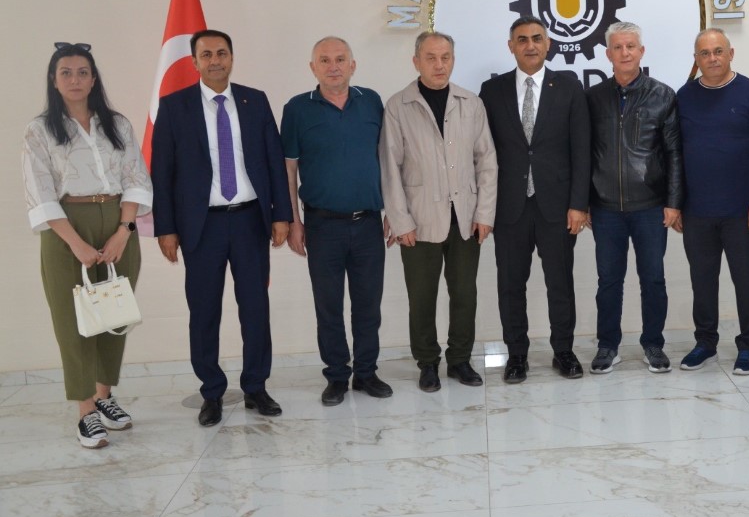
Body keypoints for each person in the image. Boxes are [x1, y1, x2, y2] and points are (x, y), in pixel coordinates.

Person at [152, 29, 292, 427]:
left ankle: (256, 387)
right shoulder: (174, 107)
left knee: (255, 308)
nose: (215, 60)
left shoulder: (254, 100)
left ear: (231, 57)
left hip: (249, 220)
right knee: (204, 312)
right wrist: (166, 228)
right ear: (194, 62)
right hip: (201, 226)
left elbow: (274, 160)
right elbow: (162, 172)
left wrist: (281, 214)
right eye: (207, 54)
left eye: (222, 53)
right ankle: (211, 392)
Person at [22, 42, 152, 448]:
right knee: (73, 321)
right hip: (66, 227)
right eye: (66, 72)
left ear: (93, 79)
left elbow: (135, 178)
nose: (75, 79)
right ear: (54, 79)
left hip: (117, 221)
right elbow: (41, 192)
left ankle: (104, 395)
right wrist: (76, 243)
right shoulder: (40, 130)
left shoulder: (117, 125)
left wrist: (123, 231)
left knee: (115, 313)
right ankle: (85, 411)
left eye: (82, 72)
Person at [382, 31, 498, 391]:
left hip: (465, 218)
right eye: (431, 58)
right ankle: (428, 362)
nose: (439, 65)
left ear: (453, 60)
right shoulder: (398, 106)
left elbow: (487, 161)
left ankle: (460, 359)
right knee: (422, 297)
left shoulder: (470, 103)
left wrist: (484, 214)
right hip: (418, 220)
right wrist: (400, 221)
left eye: (445, 57)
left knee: (465, 294)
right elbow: (390, 167)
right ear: (416, 61)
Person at [281, 36, 393, 407]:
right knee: (328, 307)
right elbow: (289, 169)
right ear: (313, 68)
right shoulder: (297, 109)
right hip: (321, 226)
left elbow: (388, 160)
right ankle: (336, 376)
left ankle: (366, 373)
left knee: (368, 305)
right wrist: (294, 222)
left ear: (352, 65)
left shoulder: (371, 101)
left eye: (340, 59)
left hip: (367, 223)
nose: (333, 66)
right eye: (325, 60)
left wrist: (394, 211)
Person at [479, 15, 590, 383]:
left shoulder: (569, 86)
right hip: (509, 207)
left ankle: (564, 351)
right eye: (522, 39)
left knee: (560, 283)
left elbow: (581, 149)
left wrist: (578, 204)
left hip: (557, 206)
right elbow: (483, 152)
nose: (530, 45)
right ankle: (516, 355)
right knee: (510, 285)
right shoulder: (492, 91)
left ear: (548, 44)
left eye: (537, 38)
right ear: (511, 46)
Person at [586, 22, 683, 374]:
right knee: (608, 282)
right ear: (608, 53)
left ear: (642, 51)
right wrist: (583, 203)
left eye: (631, 46)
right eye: (618, 47)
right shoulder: (593, 98)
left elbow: (673, 153)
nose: (624, 53)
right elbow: (583, 154)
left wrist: (673, 202)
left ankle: (653, 344)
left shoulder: (663, 95)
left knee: (653, 279)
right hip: (605, 208)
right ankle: (607, 345)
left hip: (651, 206)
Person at [676, 28, 749, 375]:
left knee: (747, 281)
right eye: (704, 53)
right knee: (702, 282)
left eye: (718, 51)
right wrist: (676, 204)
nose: (712, 58)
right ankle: (705, 343)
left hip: (743, 211)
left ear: (731, 53)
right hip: (696, 212)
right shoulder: (684, 97)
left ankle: (748, 345)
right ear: (696, 59)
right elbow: (674, 154)